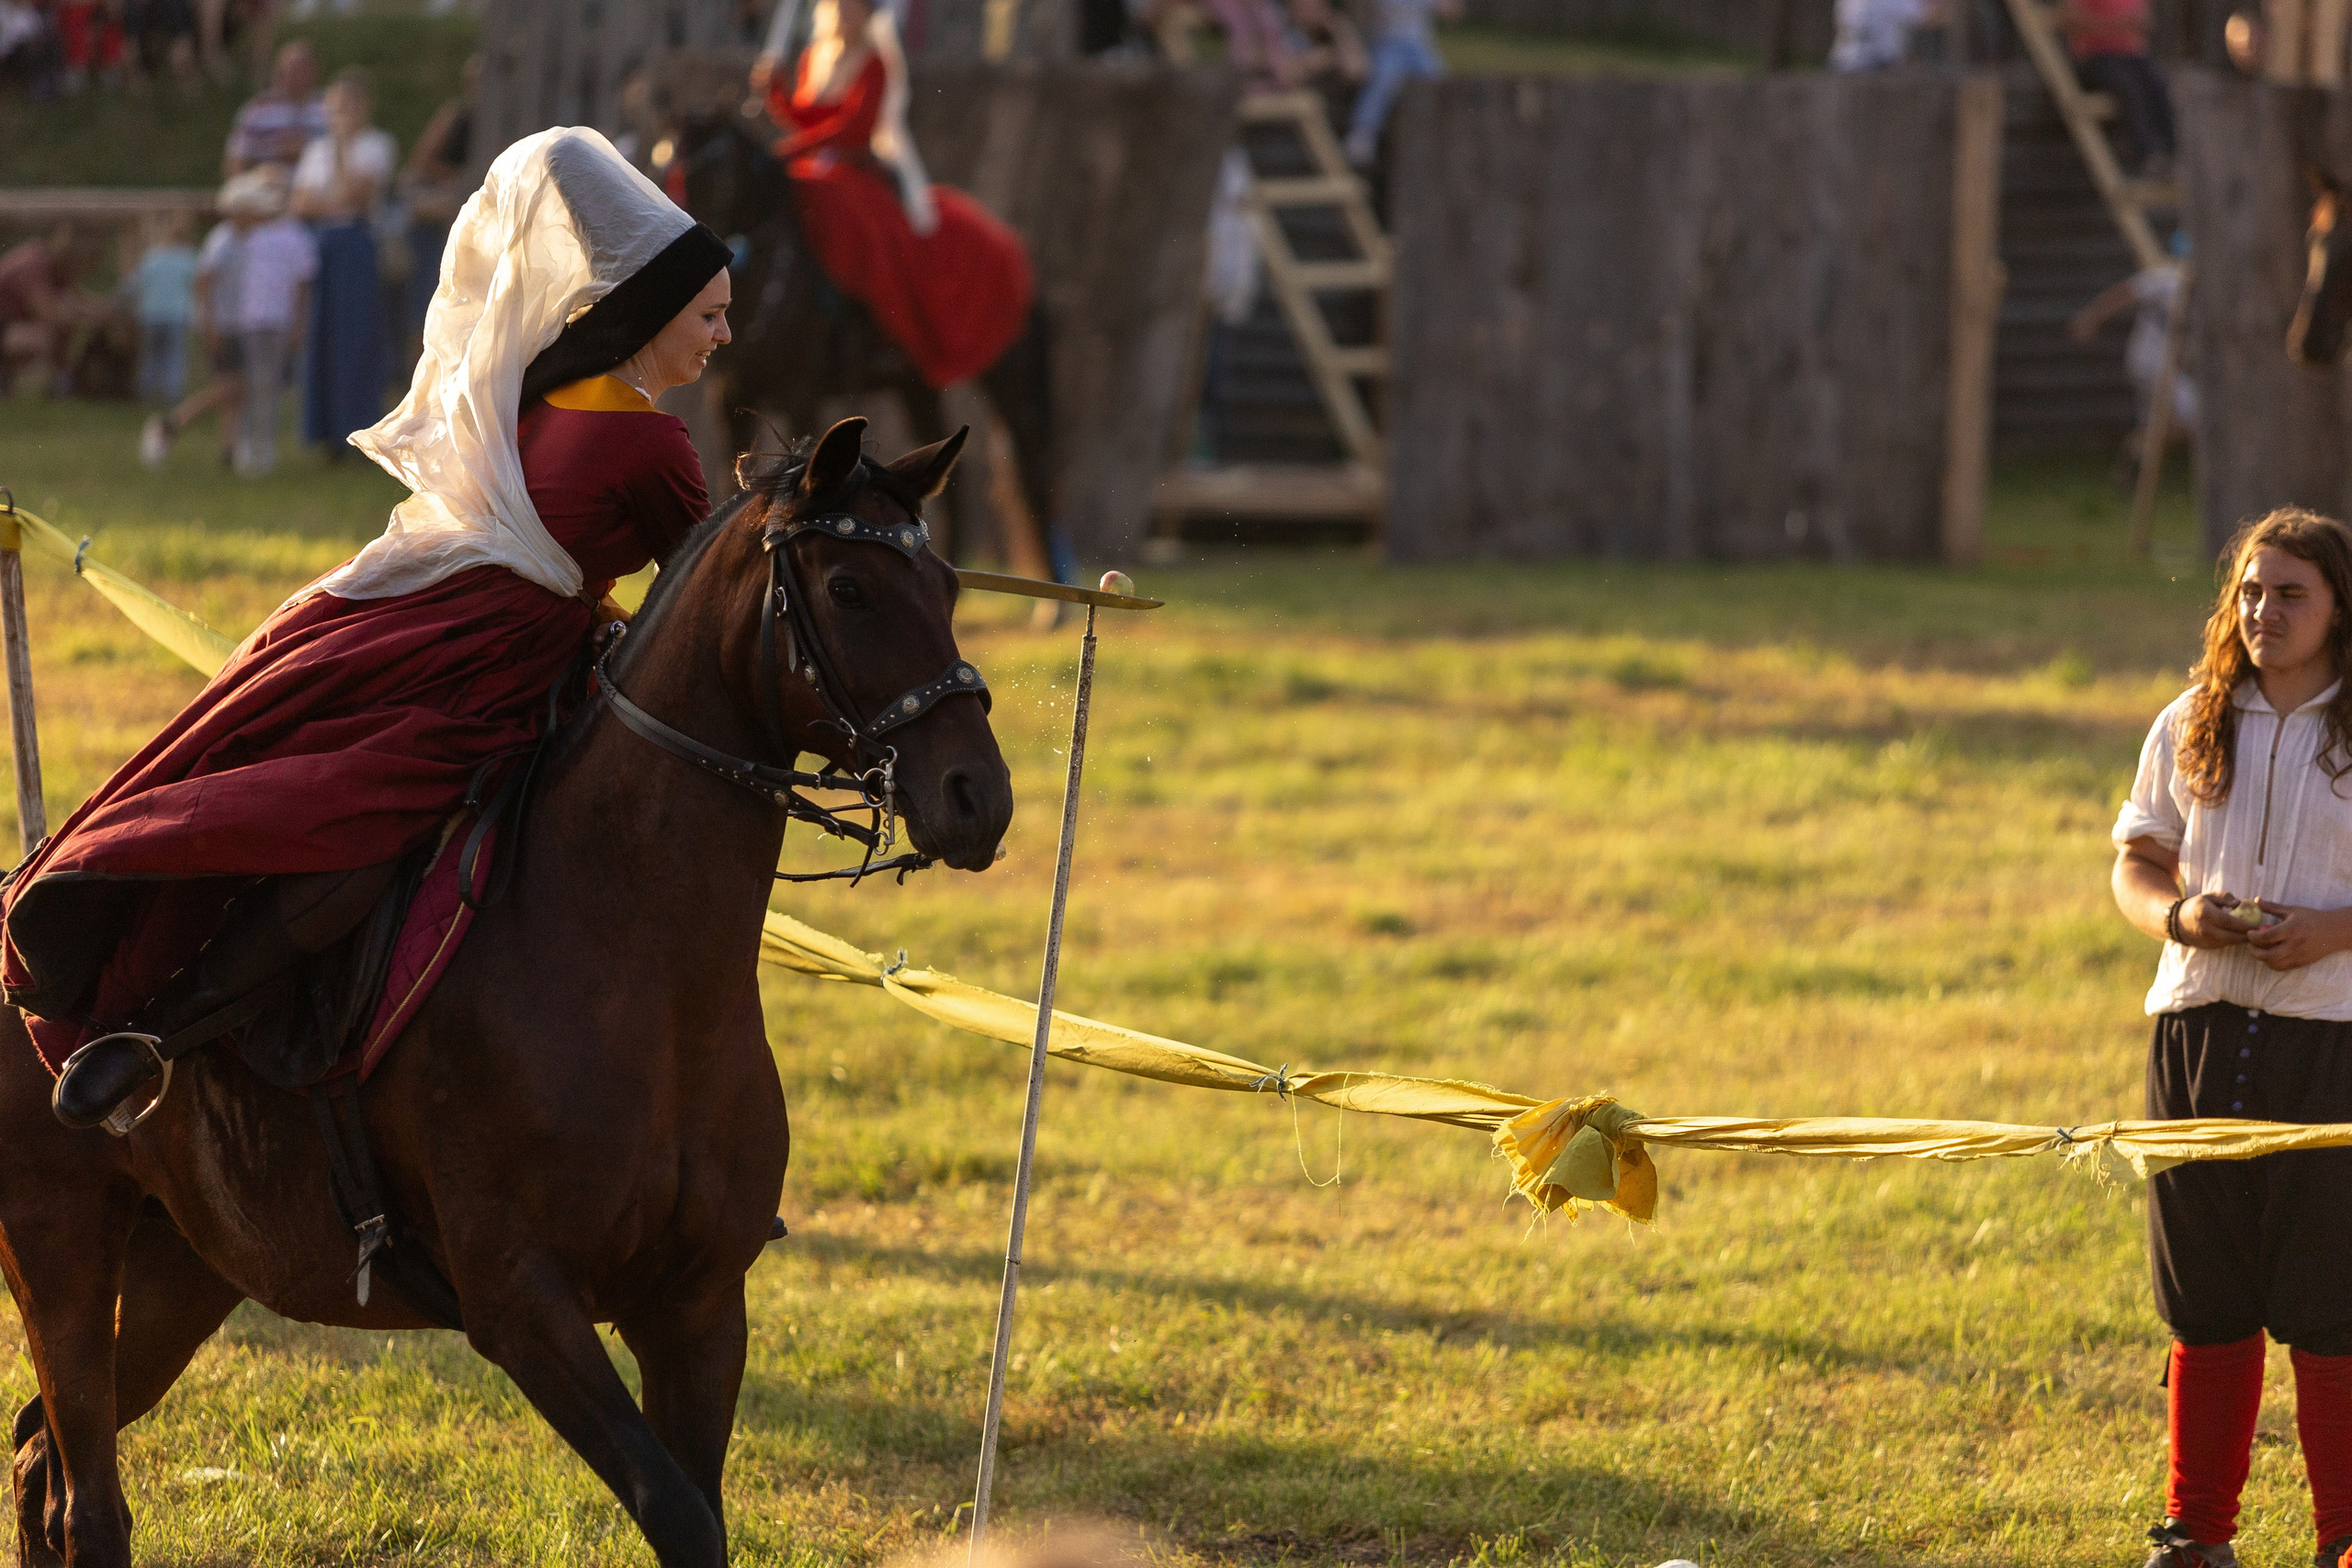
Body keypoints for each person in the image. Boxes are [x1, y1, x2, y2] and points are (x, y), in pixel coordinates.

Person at [8, 127, 734, 1134]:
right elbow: (708, 600)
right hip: (485, 661)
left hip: (418, 615)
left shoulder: (538, 385)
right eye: (709, 314)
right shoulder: (653, 443)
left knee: (280, 770)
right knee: (352, 810)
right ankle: (162, 1031)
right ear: (652, 314)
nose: (723, 335)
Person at [2112, 508, 2352, 1568]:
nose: (2263, 612)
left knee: (2332, 1299)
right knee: (2205, 1295)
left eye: (2290, 593)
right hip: (2198, 1032)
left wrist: (2334, 931)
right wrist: (2178, 916)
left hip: (2331, 1039)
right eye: (2250, 592)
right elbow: (2136, 864)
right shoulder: (2191, 719)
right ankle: (2195, 1536)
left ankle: (2345, 1538)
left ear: (2338, 607)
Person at [748, 0, 1032, 392]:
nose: (847, 11)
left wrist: (790, 151)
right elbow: (809, 117)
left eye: (856, 5)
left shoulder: (875, 61)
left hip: (854, 170)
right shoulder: (817, 57)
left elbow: (854, 126)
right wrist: (776, 95)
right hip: (818, 166)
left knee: (852, 219)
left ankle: (868, 324)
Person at [145, 168, 315, 474]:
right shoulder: (222, 240)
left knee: (238, 389)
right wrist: (208, 323)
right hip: (224, 325)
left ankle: (228, 449)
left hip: (243, 323)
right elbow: (204, 283)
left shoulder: (253, 239)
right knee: (232, 386)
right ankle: (171, 425)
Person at [291, 67, 393, 456]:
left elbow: (357, 196)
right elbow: (301, 204)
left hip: (356, 245)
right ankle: (325, 431)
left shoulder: (376, 146)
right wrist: (333, 201)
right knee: (324, 335)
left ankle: (357, 428)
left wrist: (341, 151)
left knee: (357, 337)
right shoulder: (315, 150)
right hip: (324, 245)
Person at [394, 52, 480, 368]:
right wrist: (463, 181)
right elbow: (422, 164)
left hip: (465, 219)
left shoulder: (504, 118)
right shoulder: (457, 116)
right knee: (427, 306)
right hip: (437, 221)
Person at [2063, 0, 2175, 178]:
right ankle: (2148, 154)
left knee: (2159, 86)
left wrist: (2107, 25)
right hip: (2096, 56)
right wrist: (2119, 24)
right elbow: (2071, 18)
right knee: (2129, 90)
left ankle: (2170, 155)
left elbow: (2145, 21)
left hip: (2132, 56)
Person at [1342, 0, 1457, 169]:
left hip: (1419, 47)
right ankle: (1363, 132)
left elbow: (1449, 11)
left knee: (1440, 78)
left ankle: (1449, 131)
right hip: (1389, 45)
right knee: (1382, 80)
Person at [0, 227, 103, 399]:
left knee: (65, 322)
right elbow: (48, 313)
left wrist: (101, 313)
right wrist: (87, 318)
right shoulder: (33, 265)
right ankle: (10, 380)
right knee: (45, 337)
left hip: (9, 329)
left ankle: (61, 383)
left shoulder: (53, 267)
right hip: (6, 332)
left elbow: (80, 299)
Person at [128, 210, 199, 406]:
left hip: (150, 314)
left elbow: (134, 284)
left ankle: (145, 391)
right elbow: (197, 285)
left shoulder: (152, 258)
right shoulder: (189, 259)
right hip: (177, 314)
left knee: (150, 356)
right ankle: (171, 395)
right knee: (174, 356)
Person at [223, 39, 322, 177]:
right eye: (287, 69)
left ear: (314, 72)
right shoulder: (258, 109)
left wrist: (307, 150)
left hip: (316, 184)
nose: (291, 76)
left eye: (299, 69)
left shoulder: (329, 108)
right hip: (269, 181)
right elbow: (236, 157)